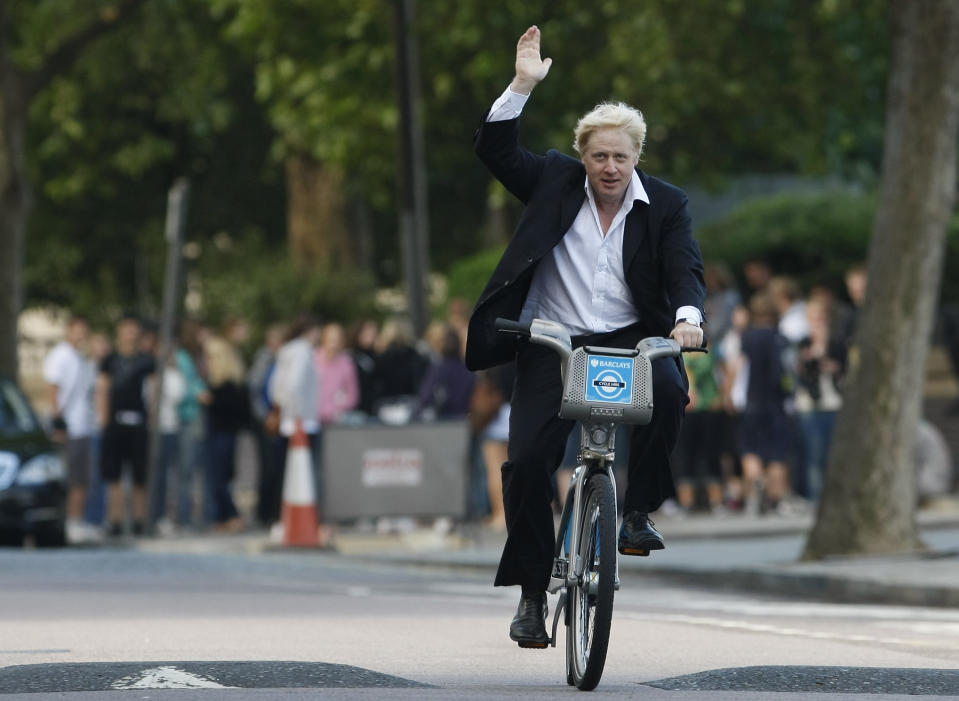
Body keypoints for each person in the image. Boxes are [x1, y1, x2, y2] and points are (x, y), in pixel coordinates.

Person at [465, 26, 705, 647]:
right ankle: (528, 595)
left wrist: (688, 318)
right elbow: (494, 151)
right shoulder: (552, 180)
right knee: (526, 466)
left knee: (672, 391)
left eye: (621, 157)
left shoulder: (668, 205)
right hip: (553, 339)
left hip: (630, 336)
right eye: (599, 156)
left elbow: (685, 268)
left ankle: (638, 513)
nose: (610, 167)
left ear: (637, 158)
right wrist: (521, 85)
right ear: (582, 156)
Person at [96, 313, 156, 537]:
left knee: (141, 475)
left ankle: (140, 520)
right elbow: (102, 389)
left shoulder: (146, 361)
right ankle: (115, 520)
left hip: (138, 422)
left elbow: (153, 390)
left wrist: (151, 419)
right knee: (114, 476)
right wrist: (104, 419)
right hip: (116, 421)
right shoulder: (110, 360)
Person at [43, 315, 99, 544]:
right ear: (69, 330)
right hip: (70, 425)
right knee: (73, 476)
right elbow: (53, 389)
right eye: (77, 330)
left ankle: (77, 519)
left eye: (84, 330)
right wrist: (59, 422)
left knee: (82, 477)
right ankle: (69, 522)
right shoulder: (61, 355)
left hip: (84, 424)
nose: (81, 334)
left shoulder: (80, 357)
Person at [202, 335, 249, 533]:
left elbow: (233, 410)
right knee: (216, 478)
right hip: (218, 434)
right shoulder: (217, 383)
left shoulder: (229, 385)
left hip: (224, 434)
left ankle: (233, 515)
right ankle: (223, 517)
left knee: (219, 478)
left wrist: (211, 401)